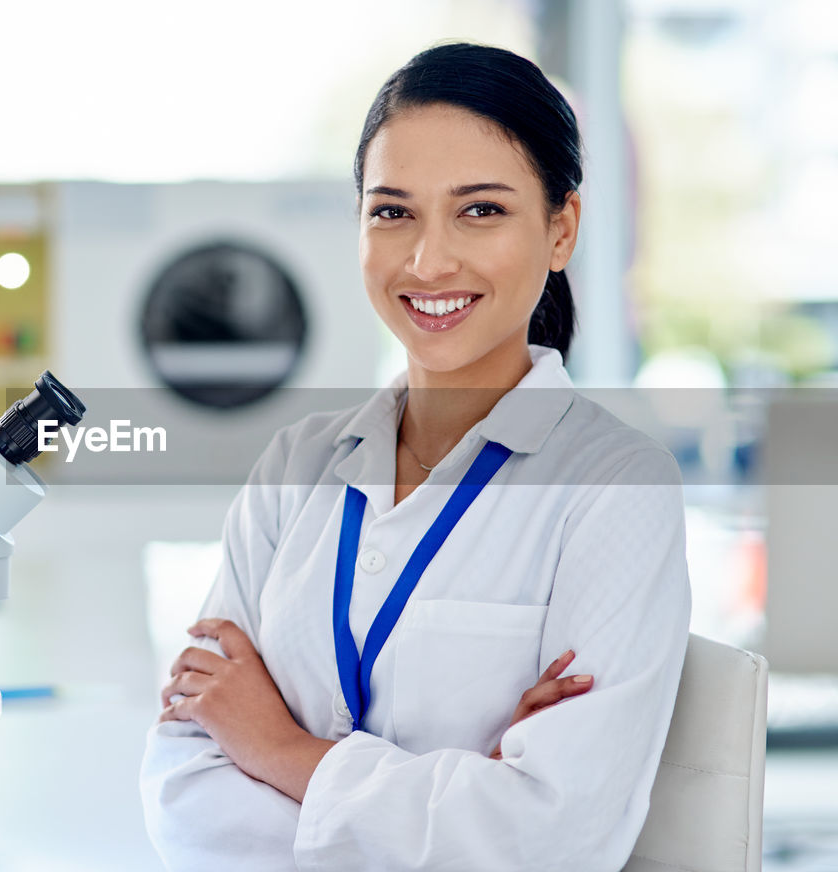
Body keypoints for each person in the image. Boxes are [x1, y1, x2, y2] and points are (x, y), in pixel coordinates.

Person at [138, 41, 691, 872]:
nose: (429, 260)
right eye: (393, 211)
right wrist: (460, 798)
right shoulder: (297, 467)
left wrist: (275, 746)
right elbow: (185, 799)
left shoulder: (616, 488)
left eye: (481, 211)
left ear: (561, 229)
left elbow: (555, 841)